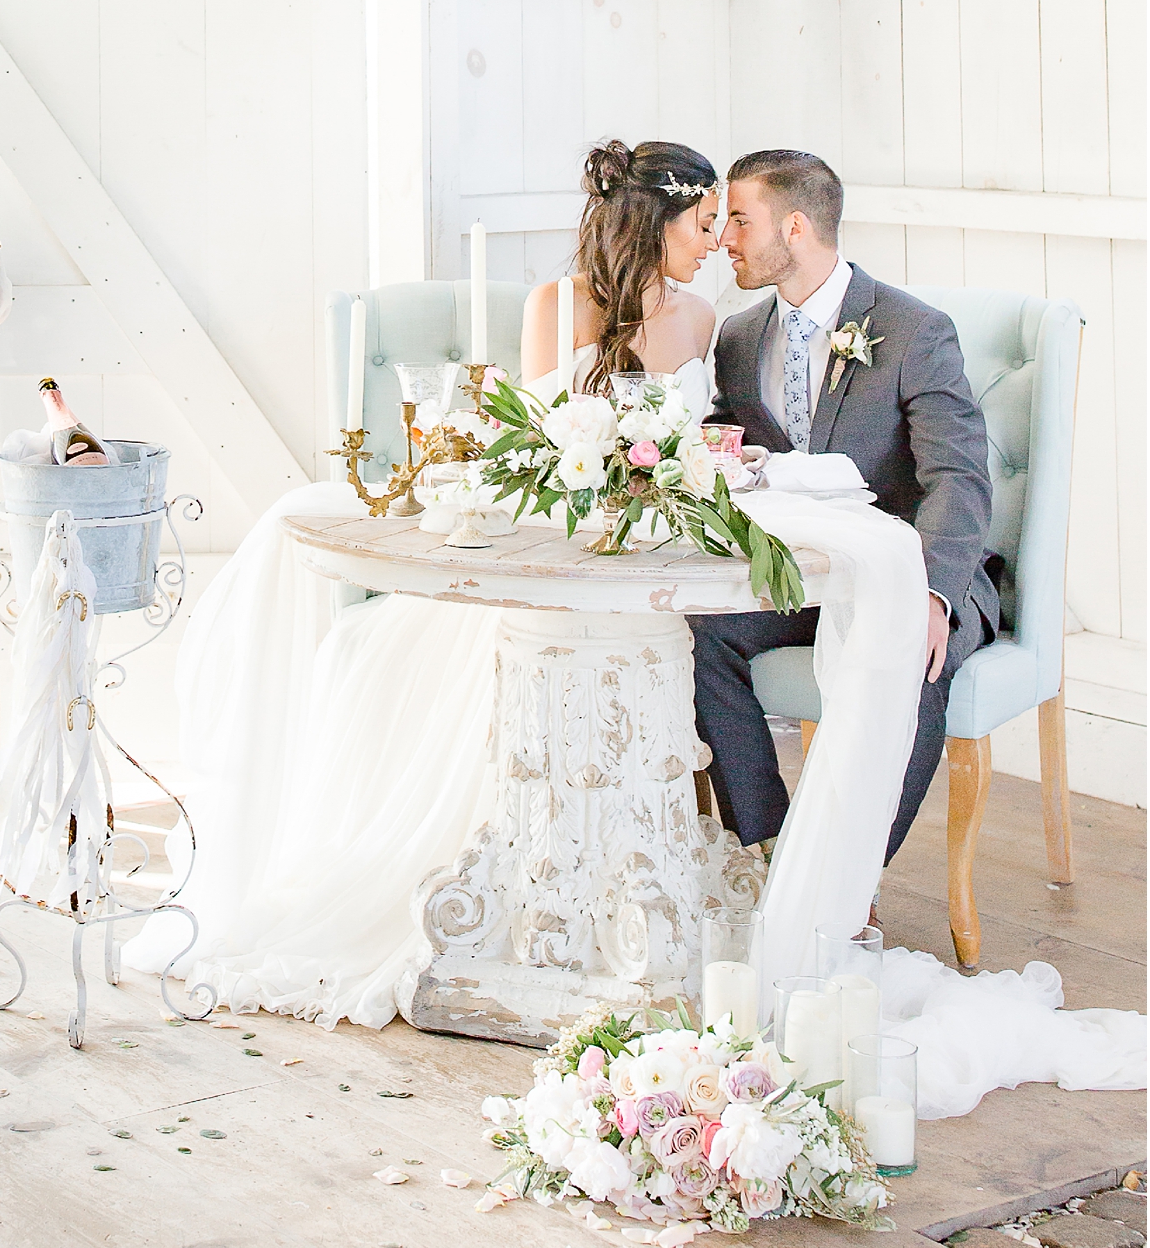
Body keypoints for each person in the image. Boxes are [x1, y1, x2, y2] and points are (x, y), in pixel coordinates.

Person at [136, 138, 724, 1028]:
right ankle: (515, 887)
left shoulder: (703, 319)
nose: (714, 239)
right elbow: (530, 442)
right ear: (658, 219)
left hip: (646, 556)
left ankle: (629, 880)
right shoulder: (555, 306)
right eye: (704, 222)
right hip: (549, 542)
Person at [690, 148, 997, 866]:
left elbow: (957, 477)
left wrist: (929, 595)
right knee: (702, 633)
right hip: (804, 575)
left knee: (908, 653)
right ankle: (765, 853)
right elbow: (727, 446)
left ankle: (847, 881)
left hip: (907, 571)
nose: (723, 239)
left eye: (739, 219)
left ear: (794, 227)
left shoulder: (914, 331)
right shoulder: (736, 337)